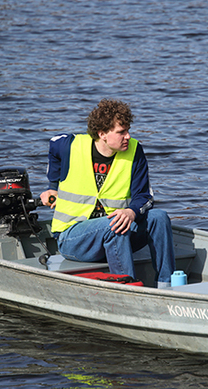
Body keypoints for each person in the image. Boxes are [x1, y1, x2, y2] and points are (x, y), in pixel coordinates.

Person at [40, 99, 176, 288]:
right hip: (72, 238)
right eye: (121, 132)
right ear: (102, 134)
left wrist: (131, 212)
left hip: (117, 235)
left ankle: (167, 285)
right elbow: (53, 145)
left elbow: (143, 197)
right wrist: (52, 185)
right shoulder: (70, 145)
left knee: (159, 217)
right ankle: (127, 288)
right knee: (114, 225)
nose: (128, 136)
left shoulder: (135, 151)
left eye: (128, 130)